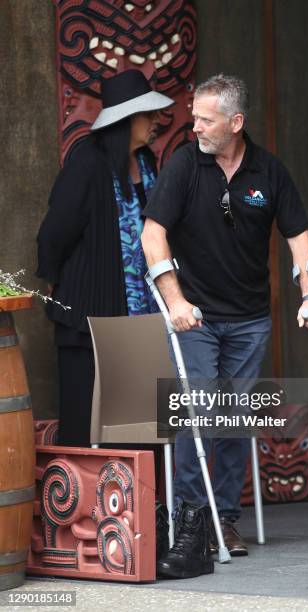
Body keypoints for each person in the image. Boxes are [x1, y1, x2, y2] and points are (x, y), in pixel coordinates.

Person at [141, 74, 308, 579]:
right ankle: (189, 522)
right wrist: (175, 300)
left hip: (249, 320)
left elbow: (300, 239)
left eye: (206, 118)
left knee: (235, 420)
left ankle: (222, 519)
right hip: (195, 316)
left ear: (236, 122)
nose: (194, 125)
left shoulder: (268, 171)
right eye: (194, 115)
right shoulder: (184, 164)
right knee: (198, 414)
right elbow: (152, 234)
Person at [36, 69, 174, 448]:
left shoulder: (146, 162)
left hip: (139, 313)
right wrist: (53, 277)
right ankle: (85, 504)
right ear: (126, 120)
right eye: (148, 115)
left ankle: (141, 504)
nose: (155, 122)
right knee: (88, 419)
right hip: (89, 313)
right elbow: (56, 230)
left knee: (139, 421)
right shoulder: (88, 162)